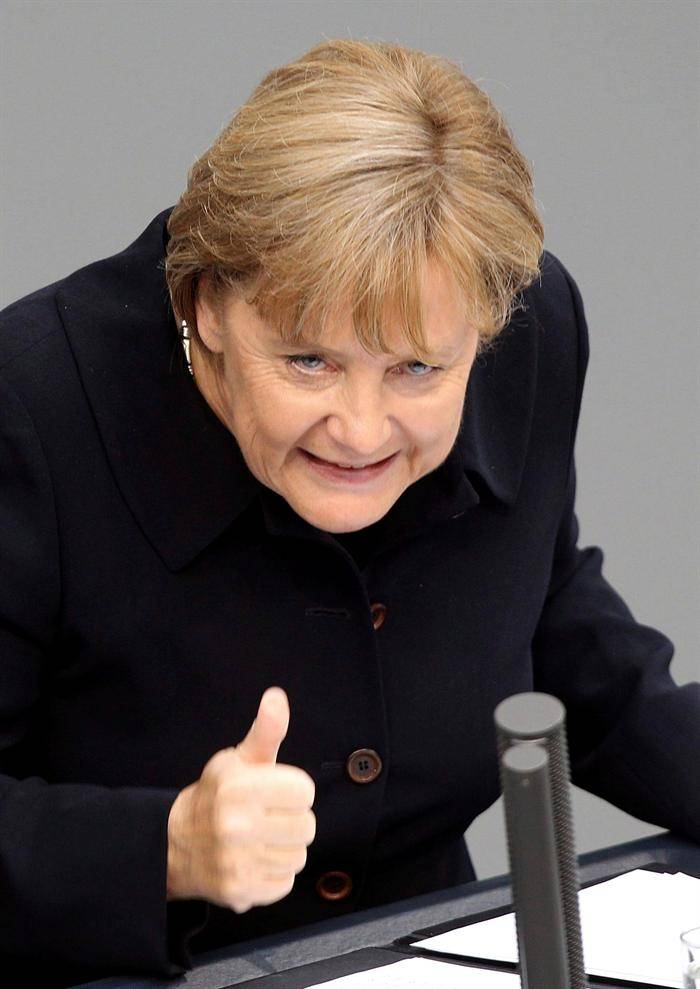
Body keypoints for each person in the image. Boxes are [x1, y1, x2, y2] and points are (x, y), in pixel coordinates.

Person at [0, 37, 697, 988]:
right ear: (207, 304)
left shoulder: (523, 335)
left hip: (429, 954)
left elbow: (541, 604)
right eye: (308, 361)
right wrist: (167, 847)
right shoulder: (31, 408)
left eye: (417, 368)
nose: (361, 430)